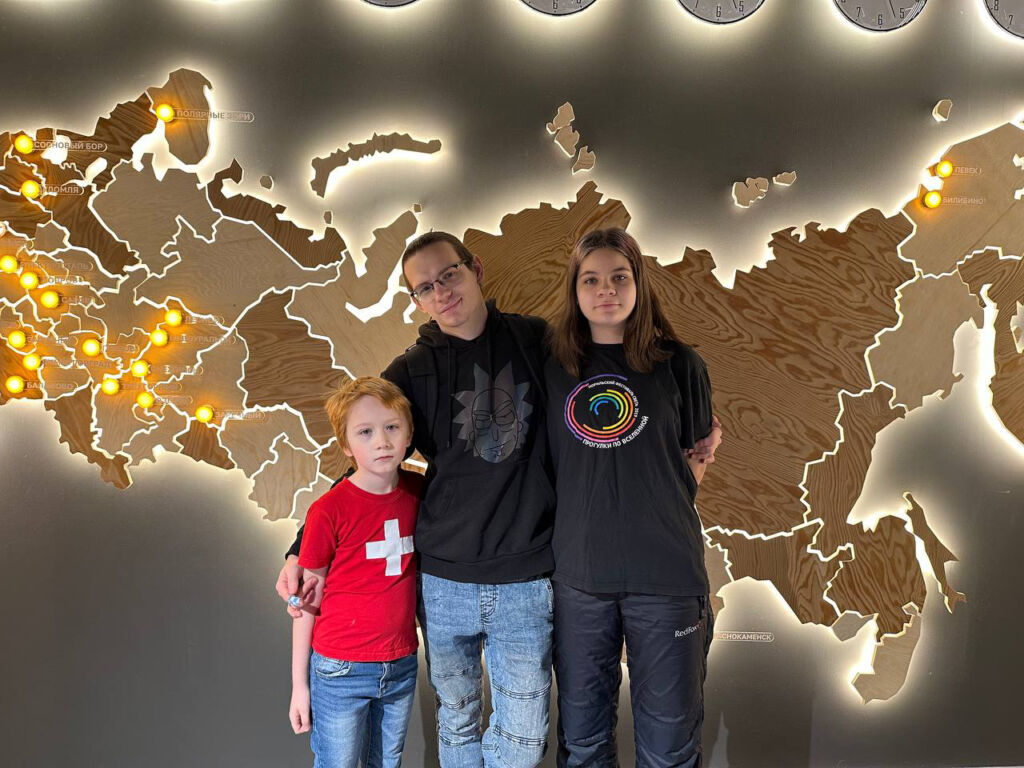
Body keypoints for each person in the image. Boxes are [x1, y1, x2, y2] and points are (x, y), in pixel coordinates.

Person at [282, 232, 557, 768]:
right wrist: (300, 550)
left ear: (475, 268)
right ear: (417, 300)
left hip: (525, 575)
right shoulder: (412, 371)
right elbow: (365, 463)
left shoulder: (535, 341)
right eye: (424, 287)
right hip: (445, 579)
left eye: (449, 274)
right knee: (457, 721)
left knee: (524, 737)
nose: (441, 292)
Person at [545, 228, 719, 768]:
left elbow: (693, 461)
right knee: (583, 746)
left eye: (620, 277)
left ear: (639, 283)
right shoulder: (551, 366)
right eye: (591, 279)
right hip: (579, 580)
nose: (607, 290)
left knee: (669, 748)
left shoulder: (680, 365)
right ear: (575, 289)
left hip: (666, 579)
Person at [289, 376, 422, 768]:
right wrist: (299, 686)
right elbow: (306, 603)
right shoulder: (328, 509)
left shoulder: (420, 493)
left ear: (409, 434)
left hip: (401, 664)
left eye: (392, 427)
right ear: (346, 445)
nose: (381, 441)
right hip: (340, 669)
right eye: (365, 432)